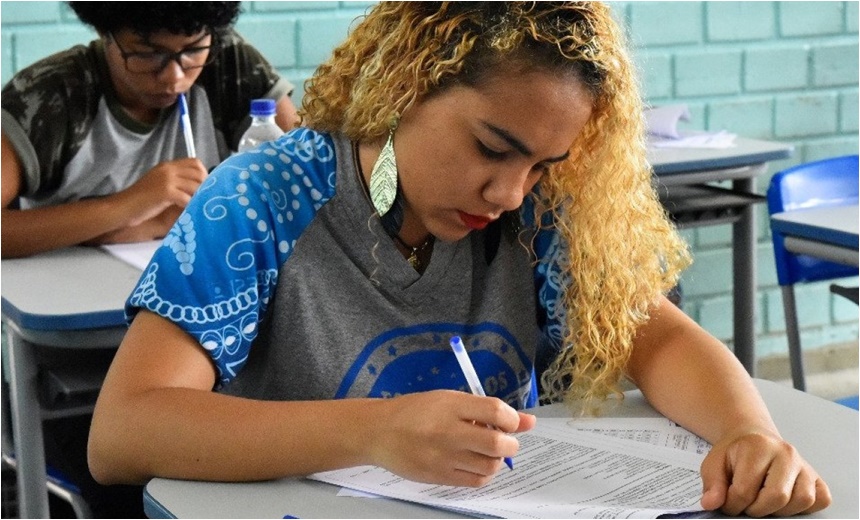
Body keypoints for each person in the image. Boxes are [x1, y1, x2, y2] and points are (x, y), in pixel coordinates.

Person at [88, 2, 831, 517]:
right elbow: (123, 435)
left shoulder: (538, 211)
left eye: (543, 164)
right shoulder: (262, 198)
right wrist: (372, 431)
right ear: (403, 85)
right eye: (491, 148)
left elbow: (657, 335)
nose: (509, 192)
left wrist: (746, 434)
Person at [0, 1, 299, 259]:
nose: (175, 77)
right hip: (61, 308)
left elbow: (311, 173)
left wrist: (153, 224)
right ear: (106, 34)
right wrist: (126, 206)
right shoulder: (48, 97)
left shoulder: (228, 61)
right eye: (147, 54)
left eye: (194, 50)